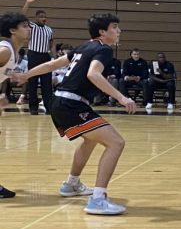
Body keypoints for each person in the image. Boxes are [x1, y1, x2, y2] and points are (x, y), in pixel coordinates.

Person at [11, 14, 138, 214]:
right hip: (71, 103)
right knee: (116, 143)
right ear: (102, 32)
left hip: (59, 101)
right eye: (115, 27)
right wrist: (122, 98)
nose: (119, 30)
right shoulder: (104, 49)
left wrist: (26, 75)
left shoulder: (84, 46)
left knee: (90, 140)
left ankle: (71, 184)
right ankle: (97, 200)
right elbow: (93, 74)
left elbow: (52, 65)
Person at [0, 12, 32, 198]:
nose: (29, 29)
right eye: (25, 26)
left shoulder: (13, 50)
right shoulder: (5, 50)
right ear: (13, 30)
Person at [21, 0, 54, 115]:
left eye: (45, 17)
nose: (43, 18)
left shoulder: (49, 29)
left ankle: (49, 107)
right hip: (34, 55)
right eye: (41, 17)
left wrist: (53, 55)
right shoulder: (32, 26)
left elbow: (52, 43)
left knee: (47, 84)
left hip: (45, 56)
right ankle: (33, 107)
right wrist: (27, 2)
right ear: (36, 18)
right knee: (33, 82)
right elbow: (22, 16)